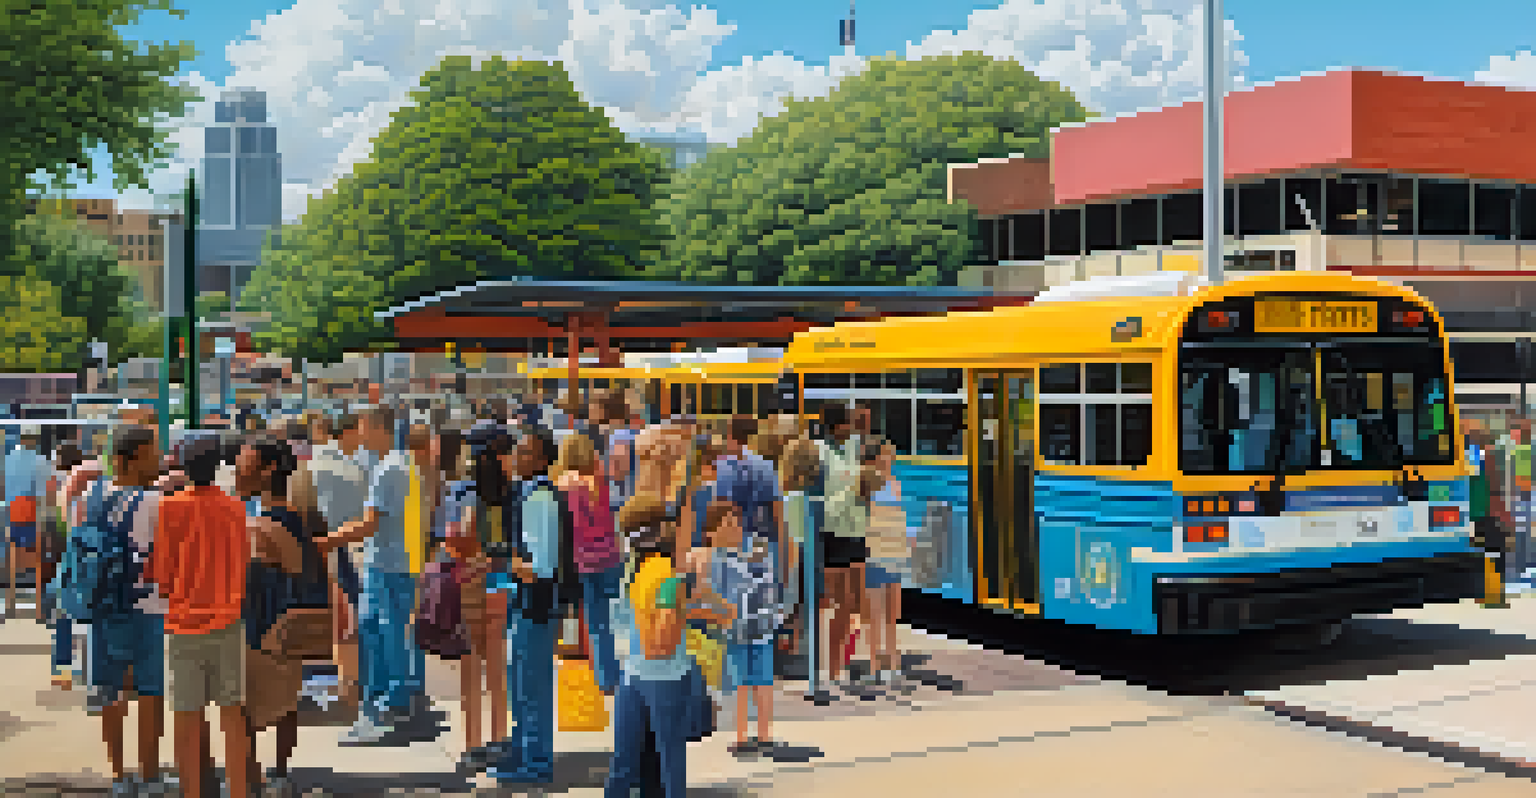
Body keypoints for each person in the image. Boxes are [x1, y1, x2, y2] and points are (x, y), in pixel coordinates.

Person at [147, 434, 252, 798]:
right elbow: (243, 562)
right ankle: (237, 790)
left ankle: (192, 791)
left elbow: (161, 576)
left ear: (182, 467)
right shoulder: (236, 508)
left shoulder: (169, 508)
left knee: (187, 718)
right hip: (228, 619)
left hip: (182, 624)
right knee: (232, 714)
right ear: (219, 466)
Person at [604, 495, 731, 798]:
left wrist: (674, 607)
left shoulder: (657, 571)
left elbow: (659, 643)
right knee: (650, 763)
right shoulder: (645, 568)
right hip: (642, 674)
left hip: (658, 676)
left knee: (653, 764)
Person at [237, 436, 331, 795]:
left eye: (245, 462)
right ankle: (277, 773)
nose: (238, 468)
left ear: (267, 470)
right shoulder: (291, 518)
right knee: (283, 704)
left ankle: (259, 776)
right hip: (281, 628)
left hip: (263, 627)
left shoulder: (267, 524)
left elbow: (257, 580)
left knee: (250, 708)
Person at [319, 406, 417, 745]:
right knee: (393, 636)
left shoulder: (386, 470)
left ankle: (376, 713)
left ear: (378, 428)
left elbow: (369, 524)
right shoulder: (406, 466)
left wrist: (326, 541)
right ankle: (394, 703)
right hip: (403, 564)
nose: (359, 435)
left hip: (384, 565)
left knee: (375, 637)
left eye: (363, 427)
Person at [83, 426, 168, 796]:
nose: (159, 461)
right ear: (128, 459)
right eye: (152, 454)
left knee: (109, 691)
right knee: (150, 690)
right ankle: (149, 776)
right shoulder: (153, 502)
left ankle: (119, 776)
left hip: (101, 604)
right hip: (145, 605)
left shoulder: (91, 493)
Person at [703, 500, 785, 756]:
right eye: (725, 524)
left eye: (734, 522)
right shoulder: (715, 556)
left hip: (758, 625)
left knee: (760, 679)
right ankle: (742, 734)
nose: (732, 529)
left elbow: (761, 583)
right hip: (739, 629)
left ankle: (762, 733)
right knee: (741, 680)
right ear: (711, 532)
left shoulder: (752, 549)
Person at [451, 425, 512, 767]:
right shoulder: (512, 493)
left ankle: (473, 744)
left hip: (470, 581)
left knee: (471, 667)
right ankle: (500, 738)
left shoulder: (462, 492)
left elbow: (454, 538)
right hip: (502, 581)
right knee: (497, 667)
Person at [552, 432, 624, 694]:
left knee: (594, 623)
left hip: (583, 560)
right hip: (610, 556)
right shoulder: (599, 482)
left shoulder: (564, 484)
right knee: (610, 620)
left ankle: (606, 679)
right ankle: (613, 672)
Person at [308, 414, 366, 712]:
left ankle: (320, 685)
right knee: (347, 622)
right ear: (347, 432)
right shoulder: (352, 469)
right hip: (345, 549)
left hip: (313, 548)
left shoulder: (309, 465)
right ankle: (349, 686)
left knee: (319, 618)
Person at [816, 404, 868, 688]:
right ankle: (833, 668)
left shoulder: (852, 448)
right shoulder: (821, 453)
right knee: (841, 604)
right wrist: (850, 489)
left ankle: (846, 660)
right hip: (832, 534)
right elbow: (819, 502)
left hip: (856, 529)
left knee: (857, 603)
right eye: (849, 423)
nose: (853, 427)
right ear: (837, 426)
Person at [860, 437, 906, 686]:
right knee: (875, 612)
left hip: (894, 550)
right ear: (876, 458)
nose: (891, 459)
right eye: (887, 455)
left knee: (892, 612)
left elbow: (898, 516)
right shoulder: (868, 484)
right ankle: (874, 664)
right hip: (876, 550)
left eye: (892, 455)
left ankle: (892, 662)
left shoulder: (895, 484)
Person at [48, 442, 87, 687]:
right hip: (90, 554)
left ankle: (62, 670)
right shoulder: (92, 486)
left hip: (68, 554)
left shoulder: (59, 485)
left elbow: (55, 525)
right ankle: (90, 668)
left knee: (63, 614)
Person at [6, 427, 51, 621]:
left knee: (13, 561)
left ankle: (11, 604)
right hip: (33, 514)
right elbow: (43, 494)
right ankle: (40, 609)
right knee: (40, 562)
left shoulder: (9, 458)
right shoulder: (40, 461)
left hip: (13, 514)